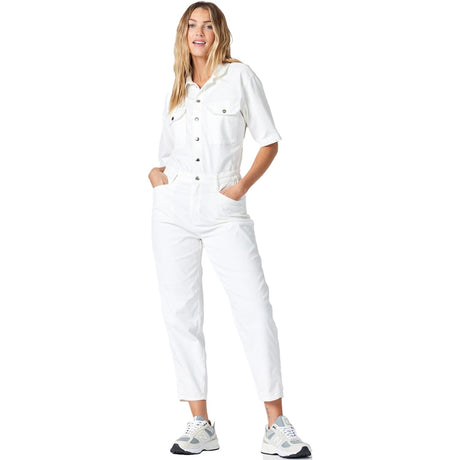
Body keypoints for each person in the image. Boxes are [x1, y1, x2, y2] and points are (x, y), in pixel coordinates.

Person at [148, 2, 311, 457]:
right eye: (192, 25)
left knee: (254, 308)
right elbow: (164, 154)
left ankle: (276, 424)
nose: (199, 32)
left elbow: (269, 141)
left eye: (208, 25)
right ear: (183, 34)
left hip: (223, 208)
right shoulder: (178, 87)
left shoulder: (240, 77)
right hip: (173, 209)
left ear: (219, 32)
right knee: (181, 313)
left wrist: (239, 187)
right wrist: (156, 177)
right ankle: (200, 423)